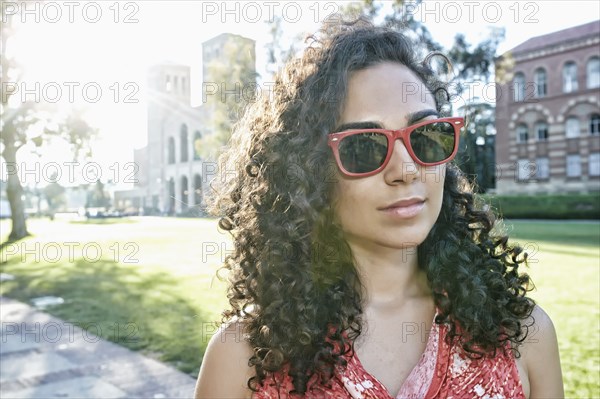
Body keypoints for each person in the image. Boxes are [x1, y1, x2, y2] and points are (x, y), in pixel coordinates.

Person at [194, 21, 564, 399]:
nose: (405, 169)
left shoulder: (524, 334)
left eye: (424, 136)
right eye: (364, 147)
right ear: (307, 175)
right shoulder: (243, 358)